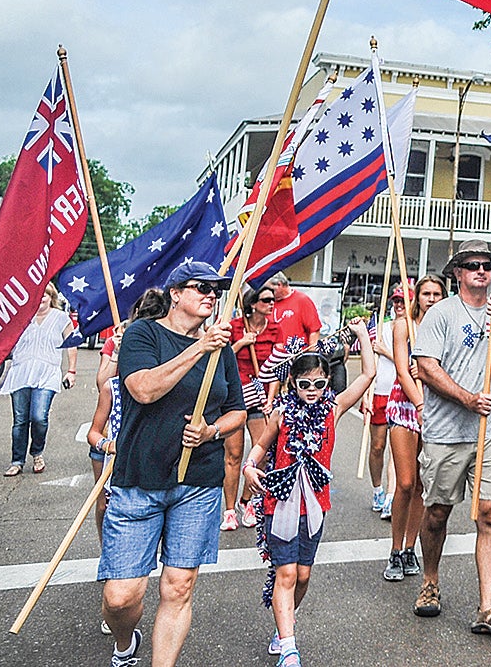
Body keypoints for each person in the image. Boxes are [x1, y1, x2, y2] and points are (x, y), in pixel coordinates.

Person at [99, 261, 246, 667]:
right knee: (120, 596)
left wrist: (212, 431)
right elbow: (143, 389)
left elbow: (237, 411)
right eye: (202, 287)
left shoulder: (221, 350)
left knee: (178, 586)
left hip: (197, 482)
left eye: (215, 289)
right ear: (176, 293)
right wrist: (199, 346)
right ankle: (125, 643)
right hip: (139, 478)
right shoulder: (142, 334)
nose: (211, 295)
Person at [410, 239, 491, 634]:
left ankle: (488, 607)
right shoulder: (441, 314)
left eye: (486, 265)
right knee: (436, 513)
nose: (481, 271)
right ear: (457, 272)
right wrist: (467, 399)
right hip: (447, 432)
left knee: (490, 515)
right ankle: (430, 582)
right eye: (472, 265)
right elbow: (426, 368)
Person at [243, 320, 375, 667]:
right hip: (280, 499)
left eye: (319, 383)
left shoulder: (333, 409)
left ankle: (284, 624)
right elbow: (259, 447)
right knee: (285, 573)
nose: (313, 389)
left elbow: (367, 376)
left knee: (303, 575)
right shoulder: (281, 412)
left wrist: (362, 336)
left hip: (315, 503)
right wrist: (249, 466)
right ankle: (288, 647)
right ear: (293, 384)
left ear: (327, 383)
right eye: (305, 384)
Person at [89, 288, 171, 543]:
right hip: (110, 445)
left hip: (146, 444)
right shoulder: (119, 340)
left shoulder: (162, 342)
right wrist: (107, 444)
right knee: (104, 504)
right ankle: (107, 550)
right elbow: (103, 382)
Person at [382, 274, 444, 581]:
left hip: (438, 408)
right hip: (407, 406)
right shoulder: (404, 325)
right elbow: (403, 372)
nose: (431, 299)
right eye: (426, 293)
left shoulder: (446, 326)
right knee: (405, 483)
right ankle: (394, 550)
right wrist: (421, 405)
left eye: (437, 294)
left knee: (422, 485)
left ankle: (409, 548)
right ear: (416, 297)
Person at [0, 283, 75, 476]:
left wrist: (71, 370)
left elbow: (71, 343)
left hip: (47, 372)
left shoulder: (60, 318)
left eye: (45, 296)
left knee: (39, 417)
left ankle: (37, 452)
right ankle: (17, 461)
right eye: (38, 295)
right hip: (21, 372)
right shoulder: (21, 317)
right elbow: (4, 340)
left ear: (52, 298)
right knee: (20, 420)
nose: (41, 299)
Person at [225, 284, 283, 530]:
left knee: (262, 454)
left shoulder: (275, 329)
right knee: (234, 454)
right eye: (266, 299)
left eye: (273, 300)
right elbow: (220, 357)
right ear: (252, 304)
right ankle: (229, 512)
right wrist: (240, 343)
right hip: (234, 396)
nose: (271, 304)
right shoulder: (236, 327)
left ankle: (247, 501)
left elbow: (277, 368)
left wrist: (271, 397)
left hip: (259, 395)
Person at [366, 291, 400, 517]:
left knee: (398, 450)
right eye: (395, 301)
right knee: (377, 447)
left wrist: (385, 351)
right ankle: (378, 489)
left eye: (403, 301)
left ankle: (391, 496)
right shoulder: (381, 328)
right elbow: (369, 365)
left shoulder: (415, 330)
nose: (399, 305)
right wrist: (367, 394)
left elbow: (407, 361)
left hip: (401, 394)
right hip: (379, 392)